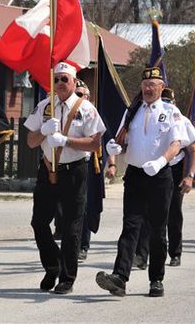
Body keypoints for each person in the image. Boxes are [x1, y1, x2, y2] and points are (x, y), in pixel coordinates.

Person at [96, 67, 189, 298]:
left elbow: (177, 143)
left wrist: (161, 161)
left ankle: (156, 279)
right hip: (136, 175)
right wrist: (114, 150)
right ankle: (119, 278)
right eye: (145, 84)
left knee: (158, 230)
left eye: (153, 84)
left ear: (161, 86)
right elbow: (122, 140)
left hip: (159, 176)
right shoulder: (132, 111)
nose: (148, 88)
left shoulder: (171, 111)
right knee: (130, 226)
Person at [24, 62, 106, 295]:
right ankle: (52, 265)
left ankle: (67, 278)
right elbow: (30, 141)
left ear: (73, 81)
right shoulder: (44, 105)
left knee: (71, 227)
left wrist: (66, 141)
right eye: (57, 79)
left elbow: (94, 143)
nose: (60, 83)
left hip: (74, 171)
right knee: (39, 222)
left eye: (64, 79)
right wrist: (44, 131)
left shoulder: (86, 108)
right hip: (48, 169)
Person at [132, 88, 195, 269]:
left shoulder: (181, 121)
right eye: (164, 100)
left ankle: (175, 253)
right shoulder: (149, 116)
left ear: (174, 103)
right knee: (147, 212)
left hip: (175, 169)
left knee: (173, 212)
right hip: (153, 168)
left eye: (169, 101)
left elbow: (193, 151)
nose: (167, 104)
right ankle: (142, 255)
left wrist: (190, 176)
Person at [73, 79, 115, 262]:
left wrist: (112, 164)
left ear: (88, 97)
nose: (77, 98)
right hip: (71, 165)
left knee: (87, 207)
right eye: (75, 94)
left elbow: (108, 142)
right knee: (72, 207)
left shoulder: (96, 115)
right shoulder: (67, 115)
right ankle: (72, 244)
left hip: (92, 167)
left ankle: (83, 245)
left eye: (80, 94)